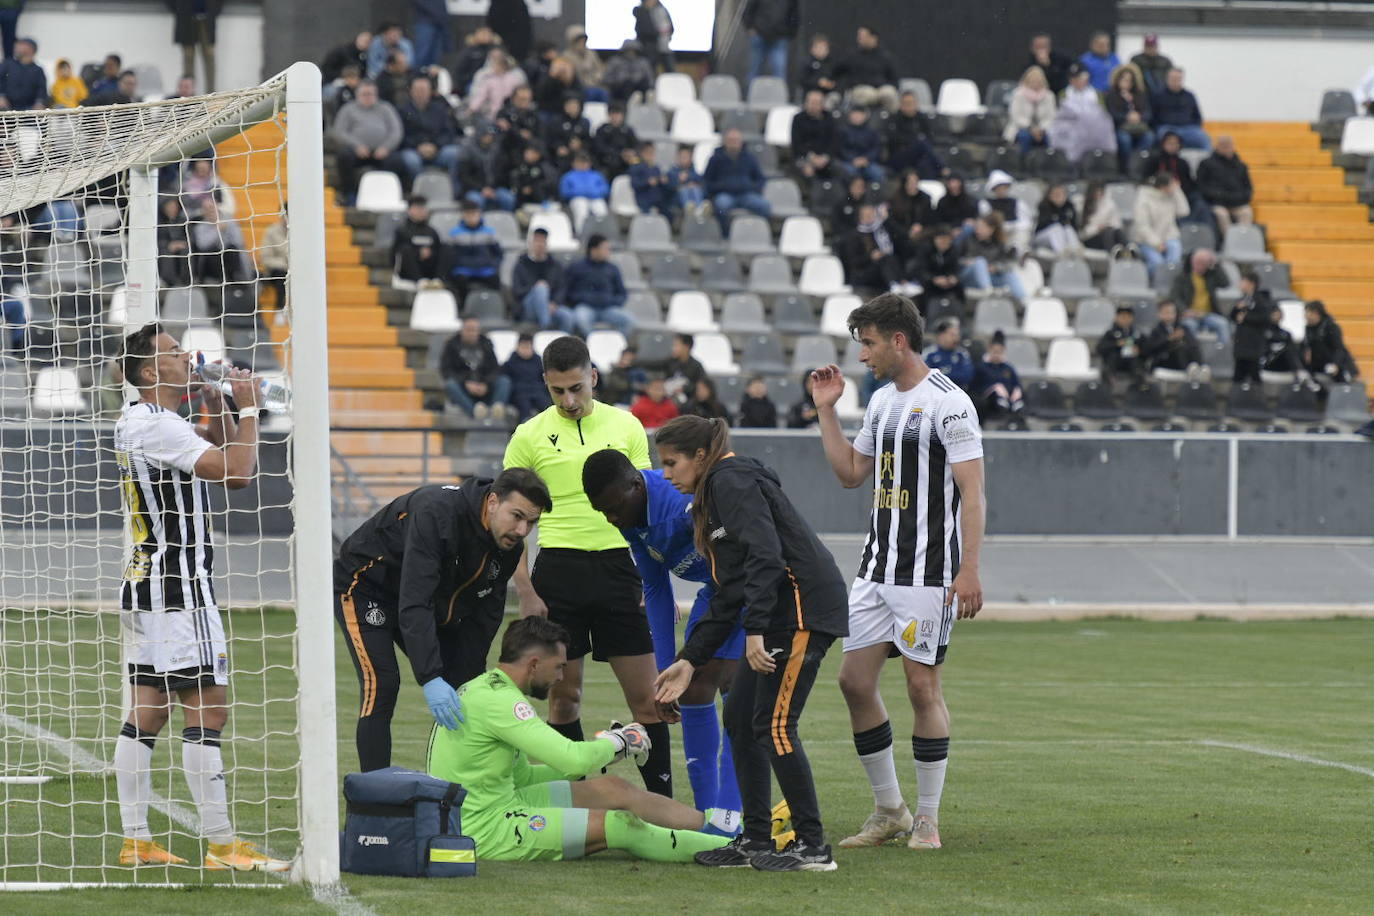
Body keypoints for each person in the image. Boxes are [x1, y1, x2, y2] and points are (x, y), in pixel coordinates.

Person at [809, 294, 985, 853]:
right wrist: (826, 410)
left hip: (928, 572)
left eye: (868, 342)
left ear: (898, 341)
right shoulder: (882, 402)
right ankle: (890, 811)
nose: (862, 354)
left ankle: (927, 819)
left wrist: (969, 569)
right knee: (854, 682)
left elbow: (973, 493)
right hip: (875, 567)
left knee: (920, 685)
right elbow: (850, 474)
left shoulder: (949, 405)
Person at [112, 323, 288, 871]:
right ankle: (221, 845)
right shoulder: (158, 426)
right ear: (148, 372)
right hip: (180, 587)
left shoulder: (146, 422)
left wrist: (218, 408)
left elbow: (208, 449)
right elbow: (237, 473)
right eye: (172, 352)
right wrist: (253, 409)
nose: (187, 355)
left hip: (148, 580)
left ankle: (136, 840)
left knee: (148, 711)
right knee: (208, 708)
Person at [652, 415, 848, 871]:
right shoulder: (717, 489)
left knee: (776, 725)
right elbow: (731, 591)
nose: (666, 474)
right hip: (778, 613)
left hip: (801, 611)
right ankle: (756, 839)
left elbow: (766, 555)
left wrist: (756, 629)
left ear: (700, 456)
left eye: (671, 463)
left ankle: (814, 847)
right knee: (741, 720)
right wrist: (688, 661)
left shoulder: (730, 480)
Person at [502, 335, 675, 796]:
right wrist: (525, 590)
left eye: (577, 387)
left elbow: (645, 508)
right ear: (545, 384)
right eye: (558, 391)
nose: (569, 399)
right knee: (564, 697)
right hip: (558, 573)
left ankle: (663, 808)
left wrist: (650, 578)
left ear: (593, 377)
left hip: (621, 571)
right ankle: (574, 803)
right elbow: (511, 522)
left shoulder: (627, 425)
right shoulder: (528, 435)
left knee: (647, 700)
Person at [427, 617, 735, 863]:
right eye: (559, 666)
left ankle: (721, 825)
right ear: (534, 664)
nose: (561, 676)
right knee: (620, 825)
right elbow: (571, 759)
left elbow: (523, 777)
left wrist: (608, 753)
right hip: (484, 828)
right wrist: (620, 741)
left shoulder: (486, 687)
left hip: (504, 800)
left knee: (614, 787)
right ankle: (727, 848)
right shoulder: (503, 703)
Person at [334, 466, 549, 770]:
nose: (522, 531)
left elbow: (484, 617)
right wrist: (431, 676)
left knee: (467, 690)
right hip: (366, 588)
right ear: (492, 502)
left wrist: (470, 679)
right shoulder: (437, 514)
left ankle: (458, 793)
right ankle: (372, 803)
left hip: (425, 601)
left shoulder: (509, 546)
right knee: (382, 684)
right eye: (517, 516)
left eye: (532, 522)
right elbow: (415, 600)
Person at [583, 449, 748, 818]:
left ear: (635, 484)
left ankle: (732, 815)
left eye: (614, 507)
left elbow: (745, 554)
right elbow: (656, 589)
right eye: (603, 512)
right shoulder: (629, 518)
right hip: (716, 593)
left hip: (750, 589)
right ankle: (707, 817)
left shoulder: (681, 502)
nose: (611, 519)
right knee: (691, 690)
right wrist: (664, 674)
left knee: (738, 695)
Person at [330, 81, 405, 202]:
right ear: (357, 95)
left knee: (397, 160)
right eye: (365, 94)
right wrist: (356, 146)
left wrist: (386, 147)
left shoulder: (386, 108)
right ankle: (349, 194)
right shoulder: (348, 109)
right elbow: (339, 132)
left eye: (371, 94)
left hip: (381, 151)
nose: (368, 97)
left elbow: (396, 131)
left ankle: (388, 194)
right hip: (356, 151)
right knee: (344, 156)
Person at [441, 317, 512, 419]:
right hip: (464, 389)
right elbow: (446, 371)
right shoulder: (451, 345)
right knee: (450, 385)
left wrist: (486, 384)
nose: (471, 333)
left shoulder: (486, 344)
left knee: (504, 381)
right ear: (462, 330)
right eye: (468, 330)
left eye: (474, 330)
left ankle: (495, 411)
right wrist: (466, 383)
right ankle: (475, 413)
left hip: (485, 387)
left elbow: (495, 369)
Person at [703, 128, 771, 235]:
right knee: (721, 206)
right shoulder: (715, 159)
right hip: (724, 194)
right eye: (731, 140)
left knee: (764, 206)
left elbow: (760, 179)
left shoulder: (750, 158)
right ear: (725, 141)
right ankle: (726, 234)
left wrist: (751, 187)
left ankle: (758, 233)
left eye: (736, 140)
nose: (734, 143)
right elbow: (707, 181)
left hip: (746, 194)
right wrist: (720, 187)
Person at [398, 75, 460, 191]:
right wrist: (418, 146)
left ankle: (452, 191)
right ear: (411, 91)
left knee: (454, 154)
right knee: (411, 160)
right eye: (418, 90)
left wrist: (436, 146)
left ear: (430, 91)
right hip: (413, 150)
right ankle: (419, 192)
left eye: (424, 90)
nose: (421, 93)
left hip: (438, 149)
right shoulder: (402, 111)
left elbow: (448, 133)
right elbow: (402, 135)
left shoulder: (440, 109)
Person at [564, 234, 632, 337]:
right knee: (581, 319)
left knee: (628, 321)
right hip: (585, 307)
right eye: (605, 248)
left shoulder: (612, 268)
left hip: (608, 308)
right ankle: (593, 345)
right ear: (594, 249)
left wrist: (610, 300)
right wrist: (584, 298)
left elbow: (622, 294)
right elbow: (568, 292)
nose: (608, 251)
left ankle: (614, 347)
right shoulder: (576, 267)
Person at [513, 227, 575, 332]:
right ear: (531, 243)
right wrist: (535, 288)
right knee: (541, 288)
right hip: (528, 307)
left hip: (551, 306)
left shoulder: (555, 265)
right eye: (537, 241)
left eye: (543, 241)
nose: (540, 244)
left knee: (568, 316)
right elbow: (517, 290)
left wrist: (554, 303)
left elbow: (562, 287)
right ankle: (546, 328)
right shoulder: (522, 265)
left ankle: (564, 346)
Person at [841, 202, 908, 296]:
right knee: (883, 260)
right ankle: (893, 283)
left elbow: (902, 236)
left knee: (891, 257)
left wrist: (887, 219)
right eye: (867, 215)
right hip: (863, 272)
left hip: (881, 270)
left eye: (872, 214)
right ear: (860, 217)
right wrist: (870, 257)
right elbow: (854, 262)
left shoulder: (880, 231)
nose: (870, 217)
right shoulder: (854, 236)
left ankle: (900, 282)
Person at [1130, 173, 1187, 281]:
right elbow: (1142, 226)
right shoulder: (1143, 199)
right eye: (1172, 185)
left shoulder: (1172, 196)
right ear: (1163, 187)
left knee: (1174, 260)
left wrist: (1178, 191)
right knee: (1157, 264)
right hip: (1145, 241)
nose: (1174, 187)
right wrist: (1156, 243)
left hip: (1168, 237)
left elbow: (1184, 211)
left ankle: (1170, 285)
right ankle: (1146, 281)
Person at [1196, 135, 1254, 237]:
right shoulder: (1206, 164)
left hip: (1237, 203)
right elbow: (1202, 187)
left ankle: (1242, 239)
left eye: (1229, 145)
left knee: (1246, 212)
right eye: (1224, 145)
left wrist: (1240, 198)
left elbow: (1248, 188)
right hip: (1216, 203)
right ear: (1217, 146)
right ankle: (1230, 241)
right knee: (1222, 214)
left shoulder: (1240, 165)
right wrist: (1218, 196)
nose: (1227, 148)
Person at [445, 200, 502, 302]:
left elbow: (498, 253)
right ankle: (462, 307)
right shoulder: (455, 233)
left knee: (495, 279)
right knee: (458, 281)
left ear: (479, 214)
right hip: (463, 269)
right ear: (463, 215)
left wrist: (493, 265)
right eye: (468, 214)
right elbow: (450, 255)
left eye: (474, 213)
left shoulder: (489, 232)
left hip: (484, 269)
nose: (472, 217)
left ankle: (494, 305)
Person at [960, 213, 1025, 301]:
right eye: (977, 227)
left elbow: (1006, 264)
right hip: (969, 276)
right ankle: (988, 293)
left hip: (989, 276)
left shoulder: (998, 244)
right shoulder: (968, 239)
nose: (978, 230)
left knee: (1009, 274)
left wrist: (996, 267)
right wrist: (968, 262)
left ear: (991, 230)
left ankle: (1025, 300)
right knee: (980, 261)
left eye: (982, 227)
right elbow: (955, 259)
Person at [1170, 248, 1231, 341]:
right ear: (1192, 262)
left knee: (1223, 324)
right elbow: (1174, 297)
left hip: (1207, 314)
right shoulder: (1182, 278)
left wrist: (1216, 264)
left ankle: (1223, 353)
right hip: (1189, 315)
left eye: (1203, 263)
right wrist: (1185, 311)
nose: (1199, 265)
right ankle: (1194, 353)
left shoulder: (1211, 276)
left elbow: (1225, 283)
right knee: (1189, 326)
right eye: (1197, 262)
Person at [835, 25, 899, 112]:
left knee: (890, 93)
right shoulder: (852, 55)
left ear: (873, 38)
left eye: (863, 36)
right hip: (860, 89)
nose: (859, 39)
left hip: (880, 89)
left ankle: (893, 123)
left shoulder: (884, 56)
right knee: (869, 93)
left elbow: (894, 78)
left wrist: (891, 87)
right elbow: (837, 71)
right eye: (859, 36)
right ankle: (862, 123)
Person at [1105, 64, 1154, 170]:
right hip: (1121, 126)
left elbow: (1148, 112)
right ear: (1118, 79)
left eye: (1130, 80)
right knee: (1124, 140)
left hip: (1139, 126)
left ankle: (1139, 165)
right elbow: (1111, 113)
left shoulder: (1140, 94)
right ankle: (1126, 167)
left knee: (1149, 137)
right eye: (1124, 79)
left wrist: (1139, 116)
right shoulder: (1111, 94)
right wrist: (1126, 117)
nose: (1127, 83)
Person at [1231, 270, 1274, 383]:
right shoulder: (1242, 299)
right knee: (1238, 378)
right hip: (1241, 345)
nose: (1240, 284)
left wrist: (1246, 318)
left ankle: (1258, 399)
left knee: (1254, 377)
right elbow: (1232, 316)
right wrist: (1237, 309)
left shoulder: (1261, 300)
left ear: (1251, 283)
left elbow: (1265, 318)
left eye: (1243, 282)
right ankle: (1237, 398)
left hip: (1253, 346)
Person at [1151, 68, 1210, 151]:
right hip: (1167, 127)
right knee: (1163, 136)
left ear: (1182, 79)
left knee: (1203, 138)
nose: (1175, 81)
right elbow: (1153, 116)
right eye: (1172, 78)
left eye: (1178, 79)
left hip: (1188, 128)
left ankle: (1207, 162)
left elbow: (1197, 116)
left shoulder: (1189, 96)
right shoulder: (1158, 96)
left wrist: (1195, 126)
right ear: (1167, 79)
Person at [971, 331, 1024, 422]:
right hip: (989, 403)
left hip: (1009, 400)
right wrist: (994, 390)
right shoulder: (981, 367)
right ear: (989, 350)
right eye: (994, 351)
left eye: (999, 352)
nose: (997, 354)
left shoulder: (1008, 368)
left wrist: (1016, 391)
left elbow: (1016, 384)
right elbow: (976, 388)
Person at [459, 125, 516, 211]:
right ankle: (479, 224)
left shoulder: (497, 150)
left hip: (495, 188)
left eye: (491, 136)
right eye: (486, 135)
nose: (488, 138)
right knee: (475, 200)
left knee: (508, 198)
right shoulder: (468, 150)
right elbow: (464, 176)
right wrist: (482, 188)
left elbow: (502, 173)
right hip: (475, 189)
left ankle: (505, 222)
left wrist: (492, 188)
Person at [1143, 300, 1204, 378]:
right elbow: (1150, 349)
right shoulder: (1156, 330)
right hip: (1164, 360)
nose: (1170, 315)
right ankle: (1189, 370)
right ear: (1159, 314)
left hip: (1181, 360)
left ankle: (1199, 368)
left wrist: (1184, 339)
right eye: (1166, 312)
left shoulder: (1183, 328)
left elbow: (1193, 344)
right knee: (1179, 348)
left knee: (1193, 347)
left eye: (1172, 312)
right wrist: (1169, 339)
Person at [743, 0, 798, 85]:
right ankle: (750, 96)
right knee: (755, 68)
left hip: (780, 37)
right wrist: (750, 28)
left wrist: (790, 33)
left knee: (779, 69)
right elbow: (748, 11)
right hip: (759, 35)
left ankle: (779, 96)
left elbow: (794, 14)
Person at [392, 196, 442, 287]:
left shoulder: (432, 231)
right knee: (405, 249)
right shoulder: (401, 231)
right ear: (409, 210)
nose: (421, 211)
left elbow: (438, 249)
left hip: (429, 268)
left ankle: (438, 280)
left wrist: (430, 253)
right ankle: (419, 280)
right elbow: (394, 255)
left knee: (447, 248)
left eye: (423, 208)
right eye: (417, 208)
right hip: (409, 273)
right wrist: (418, 253)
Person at [1303, 300, 1358, 383]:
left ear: (1317, 313)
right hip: (1321, 364)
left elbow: (1338, 348)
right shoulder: (1308, 328)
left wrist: (1336, 364)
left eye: (1309, 313)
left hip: (1338, 365)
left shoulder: (1331, 327)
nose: (1306, 316)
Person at [978, 171, 1033, 253]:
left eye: (1004, 188)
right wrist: (1002, 227)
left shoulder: (1017, 202)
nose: (1002, 190)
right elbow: (987, 222)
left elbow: (1026, 222)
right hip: (997, 234)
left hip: (1015, 232)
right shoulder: (986, 203)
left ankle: (1018, 253)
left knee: (1022, 234)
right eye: (999, 188)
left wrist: (1013, 226)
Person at [1005, 66, 1056, 154]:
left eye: (1038, 81)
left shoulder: (1049, 96)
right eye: (1032, 81)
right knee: (1025, 136)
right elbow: (1016, 116)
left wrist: (1041, 129)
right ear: (1026, 81)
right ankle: (1023, 163)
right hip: (1021, 128)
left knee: (1051, 137)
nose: (1035, 83)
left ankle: (1047, 161)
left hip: (1043, 129)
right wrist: (1031, 128)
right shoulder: (1018, 94)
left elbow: (1051, 117)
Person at [468, 48, 527, 122]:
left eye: (498, 65)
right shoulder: (488, 79)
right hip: (493, 113)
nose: (495, 67)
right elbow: (480, 95)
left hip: (511, 113)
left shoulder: (514, 78)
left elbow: (522, 93)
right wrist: (473, 108)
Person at [559, 151, 611, 233]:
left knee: (601, 210)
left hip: (595, 198)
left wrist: (594, 193)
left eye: (584, 162)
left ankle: (603, 233)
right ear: (574, 163)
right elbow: (564, 192)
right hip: (577, 199)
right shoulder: (568, 176)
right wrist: (579, 193)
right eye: (580, 162)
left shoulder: (596, 175)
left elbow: (605, 190)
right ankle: (581, 234)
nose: (582, 164)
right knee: (581, 209)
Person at [792, 89, 837, 181]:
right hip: (804, 156)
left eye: (817, 103)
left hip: (825, 158)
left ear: (822, 105)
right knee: (807, 172)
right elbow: (797, 143)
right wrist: (811, 157)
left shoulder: (830, 119)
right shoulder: (798, 119)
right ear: (806, 103)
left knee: (838, 170)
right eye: (812, 102)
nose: (814, 106)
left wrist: (825, 158)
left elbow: (833, 142)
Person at [503, 333, 550, 420]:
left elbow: (544, 378)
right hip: (520, 393)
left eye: (528, 347)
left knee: (546, 407)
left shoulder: (538, 361)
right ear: (517, 347)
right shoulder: (511, 362)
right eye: (522, 347)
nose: (525, 350)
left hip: (537, 391)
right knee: (524, 408)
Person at [913, 225, 963, 305]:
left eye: (947, 241)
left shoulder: (953, 250)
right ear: (935, 239)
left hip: (947, 280)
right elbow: (921, 270)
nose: (944, 243)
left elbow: (956, 268)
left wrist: (953, 277)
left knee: (959, 287)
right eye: (941, 240)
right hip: (930, 280)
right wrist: (934, 279)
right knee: (926, 289)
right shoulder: (925, 249)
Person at [544, 92, 592, 171]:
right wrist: (558, 147)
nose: (572, 107)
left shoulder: (585, 122)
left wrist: (581, 144)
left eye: (575, 105)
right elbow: (550, 140)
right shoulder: (556, 121)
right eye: (569, 105)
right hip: (561, 155)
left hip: (579, 154)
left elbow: (588, 140)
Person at [1096, 305, 1145, 382]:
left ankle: (1138, 385)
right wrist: (1116, 344)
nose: (1125, 319)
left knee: (1137, 364)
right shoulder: (1110, 333)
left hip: (1131, 361)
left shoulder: (1137, 333)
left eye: (1128, 317)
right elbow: (1100, 348)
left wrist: (1139, 350)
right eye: (1123, 317)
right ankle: (1109, 379)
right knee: (1112, 357)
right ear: (1116, 318)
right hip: (1115, 361)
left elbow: (1148, 348)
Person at [837, 105, 885, 183]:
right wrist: (853, 159)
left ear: (865, 116)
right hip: (849, 161)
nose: (857, 117)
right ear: (850, 116)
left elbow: (876, 148)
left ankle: (874, 194)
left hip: (868, 162)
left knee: (878, 174)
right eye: (854, 114)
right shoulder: (842, 131)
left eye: (860, 114)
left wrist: (866, 159)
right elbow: (840, 149)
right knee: (847, 172)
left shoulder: (872, 131)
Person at [922, 319, 974, 391]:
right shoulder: (929, 354)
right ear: (941, 336)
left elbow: (967, 376)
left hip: (958, 393)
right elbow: (925, 377)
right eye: (952, 335)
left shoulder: (962, 354)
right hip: (934, 393)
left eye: (957, 335)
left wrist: (941, 376)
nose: (956, 339)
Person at [593, 103, 640, 178]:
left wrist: (631, 152)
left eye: (618, 114)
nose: (615, 117)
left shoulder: (628, 130)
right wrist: (620, 154)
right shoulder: (602, 130)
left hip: (627, 160)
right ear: (609, 115)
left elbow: (636, 145)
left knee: (637, 161)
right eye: (613, 114)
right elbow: (599, 147)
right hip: (608, 160)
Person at [888, 170, 935, 245]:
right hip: (901, 236)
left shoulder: (925, 198)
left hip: (922, 234)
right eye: (910, 182)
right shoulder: (895, 200)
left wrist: (920, 225)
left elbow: (930, 218)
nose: (913, 185)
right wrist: (907, 233)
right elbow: (892, 222)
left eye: (915, 182)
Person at [1033, 182, 1081, 254]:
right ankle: (1061, 253)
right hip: (1042, 236)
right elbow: (1045, 224)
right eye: (1056, 194)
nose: (1059, 197)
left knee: (1068, 228)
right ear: (1049, 195)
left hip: (1062, 237)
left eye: (1062, 194)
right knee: (1056, 228)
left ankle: (1076, 251)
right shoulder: (1044, 205)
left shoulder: (1069, 206)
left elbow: (1074, 225)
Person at [452, 25, 500, 96]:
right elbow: (458, 71)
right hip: (473, 82)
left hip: (496, 81)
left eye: (488, 33)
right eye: (482, 33)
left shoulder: (498, 50)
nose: (485, 36)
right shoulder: (469, 51)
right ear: (475, 35)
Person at [509, 142, 559, 210]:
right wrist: (521, 189)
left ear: (537, 154)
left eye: (530, 153)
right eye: (526, 153)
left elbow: (550, 183)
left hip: (542, 201)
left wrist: (533, 188)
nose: (527, 155)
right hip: (522, 201)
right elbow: (514, 181)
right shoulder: (521, 167)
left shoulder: (545, 167)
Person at [603, 39, 655, 104]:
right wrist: (618, 81)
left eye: (633, 51)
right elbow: (606, 78)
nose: (631, 53)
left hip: (639, 90)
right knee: (627, 84)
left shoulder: (643, 62)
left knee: (644, 86)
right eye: (629, 50)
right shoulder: (615, 61)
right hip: (620, 89)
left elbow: (650, 79)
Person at [0, 37, 45, 110]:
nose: (17, 47)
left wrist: (39, 103)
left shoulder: (38, 70)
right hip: (6, 108)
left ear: (31, 49)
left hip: (28, 110)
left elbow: (41, 90)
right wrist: (1, 96)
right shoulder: (7, 64)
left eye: (21, 45)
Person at [629, 141, 673, 215]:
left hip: (657, 199)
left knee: (668, 211)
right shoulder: (636, 167)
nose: (651, 155)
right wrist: (647, 182)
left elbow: (660, 183)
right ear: (642, 154)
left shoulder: (656, 168)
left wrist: (663, 181)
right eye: (648, 153)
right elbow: (634, 184)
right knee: (647, 213)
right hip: (644, 198)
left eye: (652, 153)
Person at [1080, 180, 1126, 251]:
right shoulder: (1083, 204)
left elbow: (1117, 223)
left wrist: (1108, 226)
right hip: (1090, 238)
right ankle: (1112, 252)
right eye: (1096, 192)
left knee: (1116, 232)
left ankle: (1129, 250)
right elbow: (1083, 233)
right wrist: (1097, 228)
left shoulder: (1109, 204)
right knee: (1107, 233)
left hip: (1107, 235)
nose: (1099, 194)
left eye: (1101, 191)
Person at [156, 197, 192, 288]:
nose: (172, 208)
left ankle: (185, 281)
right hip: (163, 248)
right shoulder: (157, 222)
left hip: (182, 247)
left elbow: (191, 238)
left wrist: (182, 243)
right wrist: (168, 244)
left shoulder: (183, 221)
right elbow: (154, 240)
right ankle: (168, 281)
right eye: (169, 206)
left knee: (186, 251)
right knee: (166, 252)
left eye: (174, 206)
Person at [634, 0, 675, 74]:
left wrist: (666, 33)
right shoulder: (641, 11)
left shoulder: (662, 9)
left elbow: (671, 28)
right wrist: (659, 32)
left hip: (664, 46)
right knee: (650, 72)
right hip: (648, 48)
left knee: (671, 72)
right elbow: (644, 30)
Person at [666, 332, 707, 399]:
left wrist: (684, 389)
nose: (673, 348)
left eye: (676, 345)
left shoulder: (696, 366)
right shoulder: (671, 362)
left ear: (686, 347)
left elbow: (702, 384)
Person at [798, 32, 838, 101]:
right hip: (810, 94)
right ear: (812, 49)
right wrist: (818, 82)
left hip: (828, 95)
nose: (821, 50)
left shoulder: (832, 63)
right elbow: (802, 80)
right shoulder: (807, 62)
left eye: (824, 48)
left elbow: (838, 79)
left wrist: (831, 84)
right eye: (819, 47)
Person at [670, 145, 707, 214]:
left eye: (686, 157)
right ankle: (689, 209)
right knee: (684, 191)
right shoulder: (673, 172)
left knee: (696, 190)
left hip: (694, 194)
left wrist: (692, 183)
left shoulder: (694, 172)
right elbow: (670, 186)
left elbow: (701, 181)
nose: (684, 159)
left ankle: (699, 209)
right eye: (682, 157)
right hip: (677, 200)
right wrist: (679, 181)